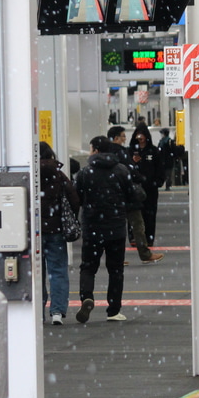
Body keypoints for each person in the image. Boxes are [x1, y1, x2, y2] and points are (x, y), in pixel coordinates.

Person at [73, 137, 142, 322]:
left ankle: (87, 297)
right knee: (116, 270)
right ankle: (113, 310)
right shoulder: (121, 170)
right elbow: (132, 195)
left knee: (88, 267)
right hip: (116, 228)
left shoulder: (85, 172)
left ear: (95, 150)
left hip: (92, 228)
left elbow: (77, 197)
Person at [107, 125, 163, 263]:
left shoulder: (107, 153)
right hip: (128, 193)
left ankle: (116, 257)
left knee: (115, 225)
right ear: (116, 138)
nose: (125, 138)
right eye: (123, 136)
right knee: (138, 223)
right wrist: (141, 178)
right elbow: (129, 171)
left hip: (112, 194)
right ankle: (145, 253)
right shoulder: (122, 152)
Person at [39, 142, 81, 325]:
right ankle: (57, 311)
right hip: (56, 230)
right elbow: (74, 199)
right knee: (57, 271)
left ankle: (37, 311)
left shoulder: (29, 174)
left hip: (34, 231)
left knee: (36, 273)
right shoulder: (59, 175)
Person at [128, 126, 163, 243]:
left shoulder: (154, 151)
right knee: (134, 214)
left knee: (150, 215)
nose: (140, 137)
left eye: (142, 135)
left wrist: (157, 182)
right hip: (134, 188)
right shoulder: (130, 151)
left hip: (150, 189)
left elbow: (159, 168)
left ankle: (148, 237)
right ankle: (134, 237)